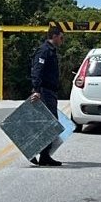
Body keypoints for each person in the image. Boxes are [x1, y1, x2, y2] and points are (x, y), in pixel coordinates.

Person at [29, 25, 64, 167]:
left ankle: (44, 155)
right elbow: (37, 70)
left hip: (50, 92)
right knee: (49, 124)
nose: (63, 40)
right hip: (44, 92)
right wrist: (36, 90)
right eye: (61, 37)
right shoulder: (44, 51)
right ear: (54, 36)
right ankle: (35, 151)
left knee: (48, 124)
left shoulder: (51, 51)